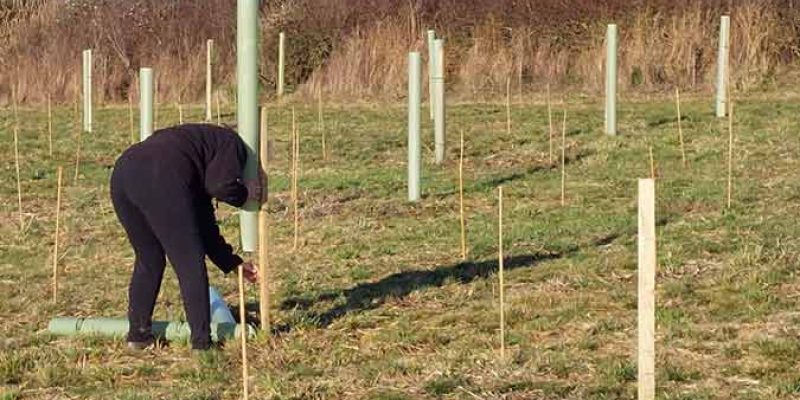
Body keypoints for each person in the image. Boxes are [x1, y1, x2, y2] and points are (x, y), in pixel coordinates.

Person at [110, 123, 260, 350]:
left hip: (123, 172)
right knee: (189, 261)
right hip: (160, 174)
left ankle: (138, 336)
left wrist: (233, 264)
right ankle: (202, 345)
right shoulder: (232, 142)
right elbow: (221, 186)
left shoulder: (195, 154)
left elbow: (206, 228)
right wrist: (246, 192)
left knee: (149, 258)